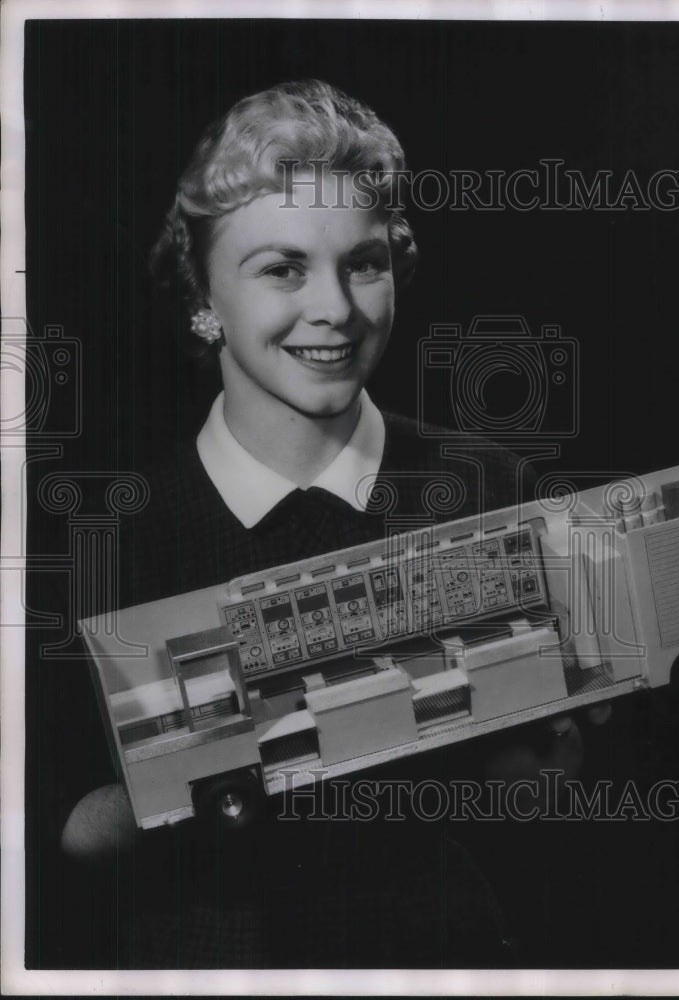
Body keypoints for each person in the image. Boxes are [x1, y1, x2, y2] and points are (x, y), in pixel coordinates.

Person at [60, 79, 606, 968]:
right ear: (203, 297)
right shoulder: (114, 531)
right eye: (282, 268)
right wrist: (247, 754)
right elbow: (63, 826)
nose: (336, 310)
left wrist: (545, 763)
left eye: (363, 262)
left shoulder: (487, 484)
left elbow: (550, 797)